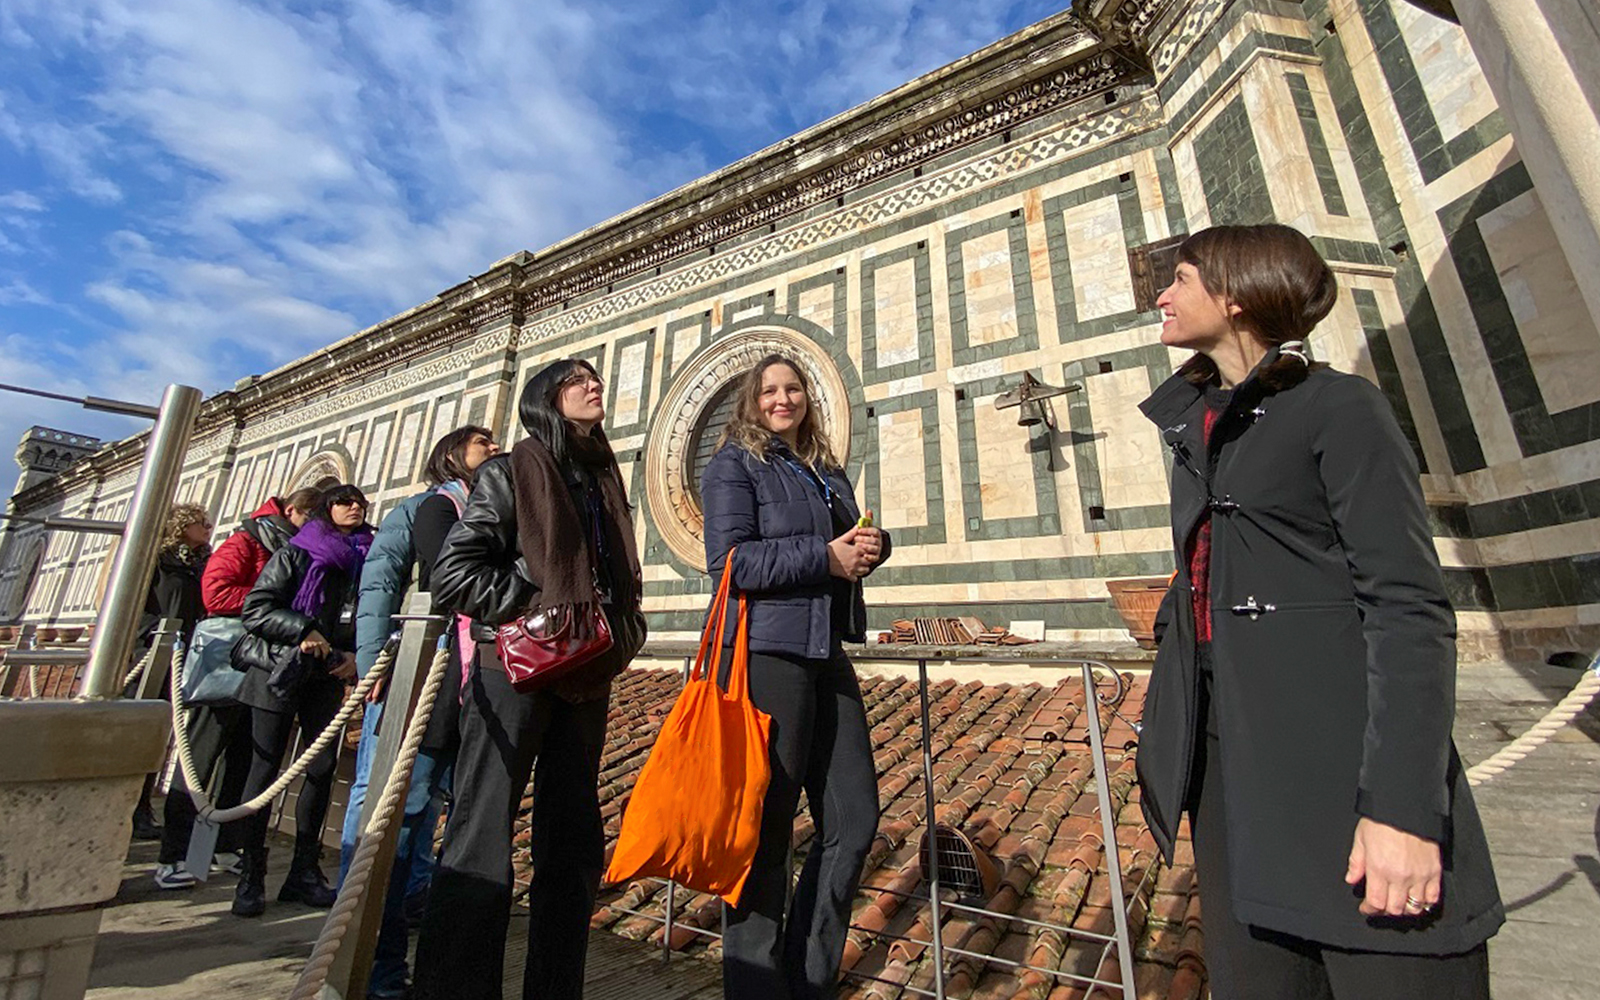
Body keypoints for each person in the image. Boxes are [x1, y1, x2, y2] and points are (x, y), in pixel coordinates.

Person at [1135, 224, 1503, 999]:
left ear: (1235, 296)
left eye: (1184, 279)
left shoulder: (1342, 409)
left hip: (1338, 772)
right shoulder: (1195, 425)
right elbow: (1205, 570)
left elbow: (1407, 607)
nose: (1162, 294)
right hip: (1231, 775)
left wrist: (1403, 810)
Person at [413, 359, 646, 1000]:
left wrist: (622, 631)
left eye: (597, 377)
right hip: (512, 673)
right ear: (547, 399)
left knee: (572, 847)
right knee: (481, 835)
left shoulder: (601, 476)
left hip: (586, 675)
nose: (595, 386)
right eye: (578, 381)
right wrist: (538, 608)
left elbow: (614, 578)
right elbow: (455, 573)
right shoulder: (510, 470)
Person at [699, 354, 890, 1000]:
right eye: (771, 390)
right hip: (764, 654)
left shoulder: (822, 468)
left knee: (855, 816)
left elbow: (844, 543)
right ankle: (755, 986)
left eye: (794, 388)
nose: (784, 399)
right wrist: (825, 558)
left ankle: (808, 980)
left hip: (824, 649)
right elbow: (729, 563)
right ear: (751, 401)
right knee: (767, 828)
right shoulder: (734, 463)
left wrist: (870, 546)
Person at [342, 425, 497, 1000]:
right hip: (414, 668)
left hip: (461, 674)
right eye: (484, 442)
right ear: (454, 455)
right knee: (387, 813)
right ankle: (366, 963)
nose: (496, 448)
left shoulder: (494, 505)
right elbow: (380, 584)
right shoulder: (423, 509)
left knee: (425, 814)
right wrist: (371, 666)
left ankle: (395, 961)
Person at [155, 489, 316, 889]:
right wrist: (274, 600)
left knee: (243, 759)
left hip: (258, 665)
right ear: (291, 511)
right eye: (308, 517)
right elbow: (217, 593)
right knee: (199, 758)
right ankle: (172, 855)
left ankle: (228, 846)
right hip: (223, 663)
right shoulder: (244, 541)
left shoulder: (290, 546)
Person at [232, 484, 374, 917]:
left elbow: (367, 613)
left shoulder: (366, 558)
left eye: (360, 502)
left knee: (321, 771)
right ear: (326, 509)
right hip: (277, 671)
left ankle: (304, 873)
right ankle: (250, 877)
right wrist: (302, 629)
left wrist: (355, 655)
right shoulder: (296, 553)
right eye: (345, 500)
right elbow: (256, 608)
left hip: (326, 677)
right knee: (265, 770)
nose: (355, 507)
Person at [130, 502, 213, 842]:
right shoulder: (159, 561)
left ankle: (143, 806)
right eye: (200, 522)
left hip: (183, 655)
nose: (208, 527)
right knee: (139, 729)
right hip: (148, 655)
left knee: (162, 731)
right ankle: (130, 805)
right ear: (181, 525)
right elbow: (136, 604)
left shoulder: (201, 563)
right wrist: (153, 634)